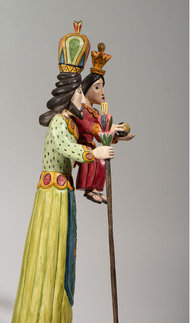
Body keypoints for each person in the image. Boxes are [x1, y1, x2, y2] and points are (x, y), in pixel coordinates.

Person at [10, 23, 114, 323]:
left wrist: (106, 138)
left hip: (62, 193)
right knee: (50, 256)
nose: (85, 98)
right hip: (52, 197)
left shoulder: (71, 120)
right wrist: (93, 153)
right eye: (81, 93)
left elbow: (89, 134)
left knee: (61, 255)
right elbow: (68, 149)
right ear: (71, 95)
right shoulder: (59, 122)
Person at [74, 43, 135, 204]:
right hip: (81, 147)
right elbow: (90, 127)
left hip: (91, 146)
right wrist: (107, 128)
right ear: (86, 89)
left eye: (102, 87)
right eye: (97, 87)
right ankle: (88, 189)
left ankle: (94, 189)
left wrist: (118, 137)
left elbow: (101, 137)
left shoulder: (95, 113)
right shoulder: (81, 110)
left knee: (101, 160)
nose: (102, 92)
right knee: (94, 157)